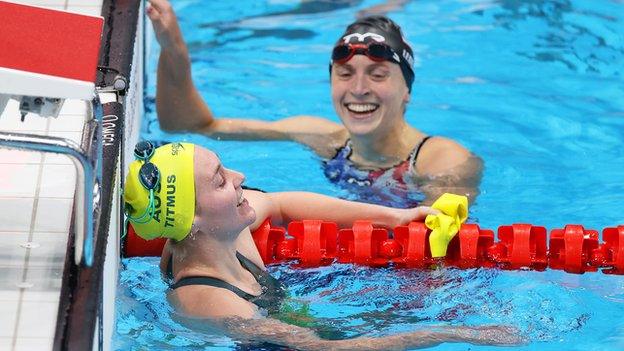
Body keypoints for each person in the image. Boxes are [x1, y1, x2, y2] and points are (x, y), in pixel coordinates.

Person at [123, 141, 523, 350]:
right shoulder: (207, 298)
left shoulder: (223, 228)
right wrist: (449, 334)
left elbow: (281, 203)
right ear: (190, 219)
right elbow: (322, 349)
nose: (240, 176)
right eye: (220, 180)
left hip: (292, 321)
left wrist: (393, 217)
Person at [146, 0, 483, 207]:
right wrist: (174, 50)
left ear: (406, 90)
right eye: (346, 73)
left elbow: (439, 255)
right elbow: (190, 125)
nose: (359, 88)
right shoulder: (324, 139)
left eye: (378, 75)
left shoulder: (441, 161)